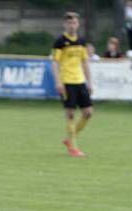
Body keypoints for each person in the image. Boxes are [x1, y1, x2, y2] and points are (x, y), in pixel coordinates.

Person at [51, 12, 92, 158]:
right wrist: (58, 81)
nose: (72, 25)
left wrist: (89, 82)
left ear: (78, 24)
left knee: (88, 113)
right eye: (69, 23)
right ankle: (74, 148)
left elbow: (85, 62)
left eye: (74, 23)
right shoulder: (60, 42)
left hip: (80, 81)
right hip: (67, 81)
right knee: (70, 114)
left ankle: (69, 139)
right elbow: (55, 63)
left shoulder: (81, 41)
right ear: (65, 24)